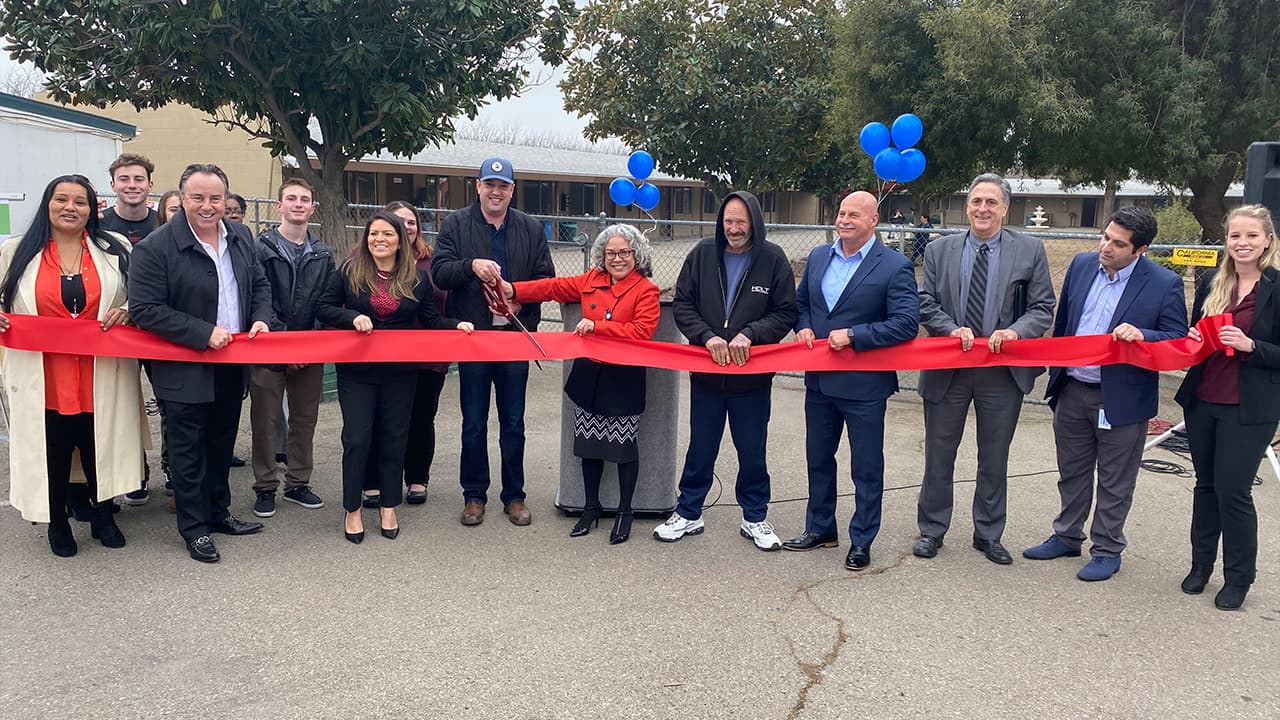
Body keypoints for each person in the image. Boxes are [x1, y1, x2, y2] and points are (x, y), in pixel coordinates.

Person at [1026, 207, 1187, 581]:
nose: (1106, 247)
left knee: (1115, 479)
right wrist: (1057, 374)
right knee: (1072, 472)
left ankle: (1107, 549)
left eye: (1118, 243)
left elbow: (1177, 337)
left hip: (1121, 398)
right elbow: (1065, 322)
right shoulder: (1082, 266)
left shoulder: (1163, 283)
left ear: (1140, 249)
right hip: (1073, 389)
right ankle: (1067, 535)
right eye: (1105, 237)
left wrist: (1144, 335)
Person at [128, 163, 272, 564]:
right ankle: (194, 528)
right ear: (182, 198)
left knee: (221, 443)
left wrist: (260, 316)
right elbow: (145, 308)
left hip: (232, 361)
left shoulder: (241, 236)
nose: (208, 206)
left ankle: (218, 512)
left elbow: (258, 283)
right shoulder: (154, 248)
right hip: (184, 364)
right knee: (188, 449)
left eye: (215, 198)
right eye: (198, 198)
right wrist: (201, 332)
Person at [914, 172, 1055, 565]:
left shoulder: (1029, 250)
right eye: (976, 201)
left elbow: (1042, 307)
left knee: (994, 456)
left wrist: (1015, 332)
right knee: (939, 454)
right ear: (967, 206)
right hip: (949, 367)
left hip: (1001, 371)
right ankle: (931, 530)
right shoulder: (940, 251)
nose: (982, 209)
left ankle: (988, 534)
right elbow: (925, 302)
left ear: (1005, 209)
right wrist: (948, 328)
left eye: (991, 202)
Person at [0, 175, 143, 556]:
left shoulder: (115, 248)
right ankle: (57, 521)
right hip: (43, 373)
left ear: (91, 209)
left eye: (79, 202)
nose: (70, 208)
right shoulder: (16, 252)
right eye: (61, 199)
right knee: (54, 447)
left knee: (100, 443)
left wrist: (127, 312)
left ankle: (103, 513)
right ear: (48, 204)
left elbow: (139, 298)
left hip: (101, 370)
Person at [781, 191, 919, 570]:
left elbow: (906, 323)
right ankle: (821, 528)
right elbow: (803, 303)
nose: (844, 219)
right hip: (820, 382)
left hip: (864, 386)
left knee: (866, 467)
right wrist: (804, 327)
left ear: (874, 220)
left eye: (854, 215)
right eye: (841, 212)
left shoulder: (895, 266)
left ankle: (862, 539)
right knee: (818, 460)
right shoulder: (820, 256)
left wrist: (856, 335)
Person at [316, 211, 473, 543]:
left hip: (400, 372)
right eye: (374, 234)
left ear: (401, 240)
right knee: (357, 439)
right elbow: (323, 307)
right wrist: (351, 316)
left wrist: (455, 324)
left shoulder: (416, 278)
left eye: (387, 234)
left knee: (393, 439)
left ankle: (389, 505)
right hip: (357, 371)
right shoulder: (348, 271)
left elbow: (430, 319)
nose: (379, 240)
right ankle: (352, 509)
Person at [654, 191, 798, 550]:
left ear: (754, 222)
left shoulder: (773, 259)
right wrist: (706, 337)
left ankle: (755, 517)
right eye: (728, 222)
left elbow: (785, 312)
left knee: (752, 450)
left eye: (740, 222)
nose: (733, 229)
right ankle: (688, 512)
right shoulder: (702, 254)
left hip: (751, 378)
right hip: (706, 374)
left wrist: (751, 334)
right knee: (701, 447)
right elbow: (682, 303)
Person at [503, 224, 660, 544]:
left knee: (624, 449)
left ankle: (625, 511)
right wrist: (514, 290)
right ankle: (591, 507)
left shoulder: (646, 290)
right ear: (601, 256)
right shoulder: (591, 281)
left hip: (624, 376)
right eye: (610, 253)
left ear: (636, 255)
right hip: (590, 374)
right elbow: (552, 287)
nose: (617, 259)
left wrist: (600, 327)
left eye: (624, 252)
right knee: (590, 446)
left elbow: (642, 331)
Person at [432, 158, 553, 527]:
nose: (496, 191)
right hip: (476, 339)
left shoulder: (530, 228)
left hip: (514, 338)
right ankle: (474, 496)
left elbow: (545, 278)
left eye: (503, 186)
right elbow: (439, 272)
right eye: (490, 184)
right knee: (473, 421)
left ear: (512, 190)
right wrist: (470, 265)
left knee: (513, 421)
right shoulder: (455, 224)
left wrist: (521, 299)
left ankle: (514, 496)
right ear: (478, 186)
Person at [1174, 204, 1280, 611]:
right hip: (1203, 399)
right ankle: (1201, 566)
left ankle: (1239, 577)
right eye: (1236, 236)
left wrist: (1252, 346)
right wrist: (1192, 339)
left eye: (1252, 235)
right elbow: (1196, 334)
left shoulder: (1275, 286)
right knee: (1205, 485)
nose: (1243, 243)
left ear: (1268, 239)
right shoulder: (1212, 282)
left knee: (1233, 491)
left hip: (1249, 405)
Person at [247, 179, 335, 518]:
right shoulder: (260, 248)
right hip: (269, 348)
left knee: (304, 419)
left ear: (312, 208)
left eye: (305, 200)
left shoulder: (324, 253)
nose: (298, 204)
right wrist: (285, 346)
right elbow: (258, 298)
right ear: (280, 205)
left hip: (309, 351)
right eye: (291, 199)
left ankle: (298, 482)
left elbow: (327, 303)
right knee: (266, 421)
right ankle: (265, 487)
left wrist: (307, 346)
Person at [361, 200, 450, 507]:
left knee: (421, 420)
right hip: (381, 359)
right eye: (398, 221)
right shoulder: (365, 261)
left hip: (427, 357)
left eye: (410, 222)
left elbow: (440, 309)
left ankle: (416, 479)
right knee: (380, 421)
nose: (405, 227)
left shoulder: (431, 263)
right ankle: (374, 482)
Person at [101, 153, 158, 246]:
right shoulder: (99, 225)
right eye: (124, 179)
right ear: (113, 185)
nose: (132, 185)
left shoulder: (163, 223)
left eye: (139, 179)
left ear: (150, 185)